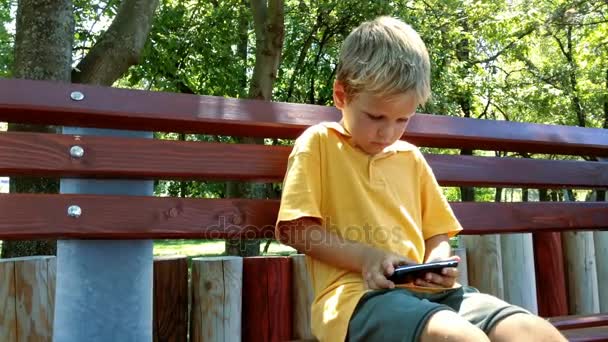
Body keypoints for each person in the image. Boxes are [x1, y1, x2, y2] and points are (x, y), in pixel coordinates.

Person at [275, 16, 566, 342]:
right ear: (342, 95)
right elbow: (297, 230)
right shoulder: (318, 144)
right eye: (375, 117)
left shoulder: (410, 158)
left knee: (537, 333)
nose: (388, 132)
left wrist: (437, 261)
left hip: (434, 295)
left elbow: (436, 233)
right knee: (457, 337)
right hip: (358, 299)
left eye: (402, 119)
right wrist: (368, 258)